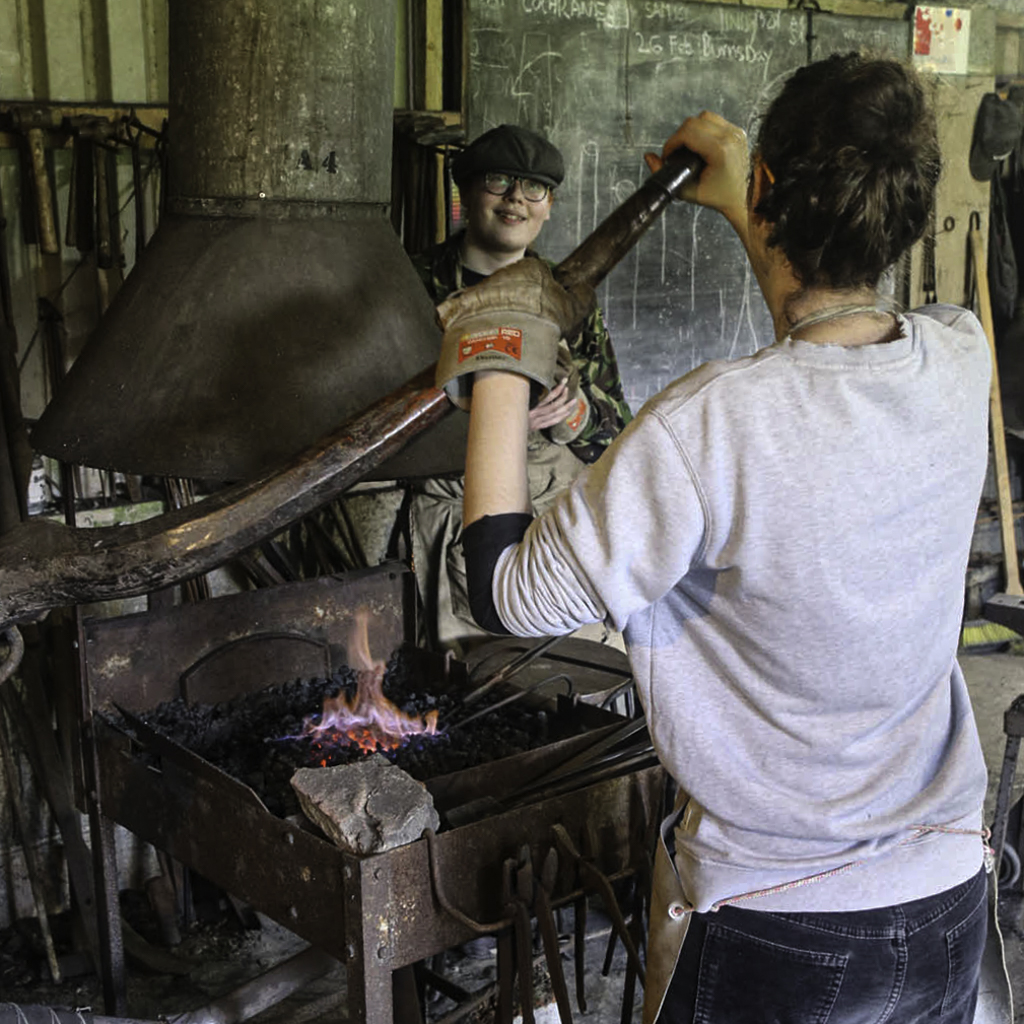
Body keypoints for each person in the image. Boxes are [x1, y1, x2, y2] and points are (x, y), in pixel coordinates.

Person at [442, 55, 1002, 1023]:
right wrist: (749, 187)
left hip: (778, 923)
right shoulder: (959, 354)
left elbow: (506, 592)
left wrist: (500, 350)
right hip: (948, 889)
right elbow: (824, 318)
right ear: (908, 210)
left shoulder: (701, 425)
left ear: (776, 194)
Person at [409, 123, 632, 652]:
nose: (516, 199)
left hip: (556, 508)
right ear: (466, 192)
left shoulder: (569, 297)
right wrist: (481, 419)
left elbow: (617, 429)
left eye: (535, 188)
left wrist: (575, 413)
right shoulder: (412, 288)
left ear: (549, 205)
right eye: (500, 181)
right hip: (452, 507)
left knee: (583, 670)